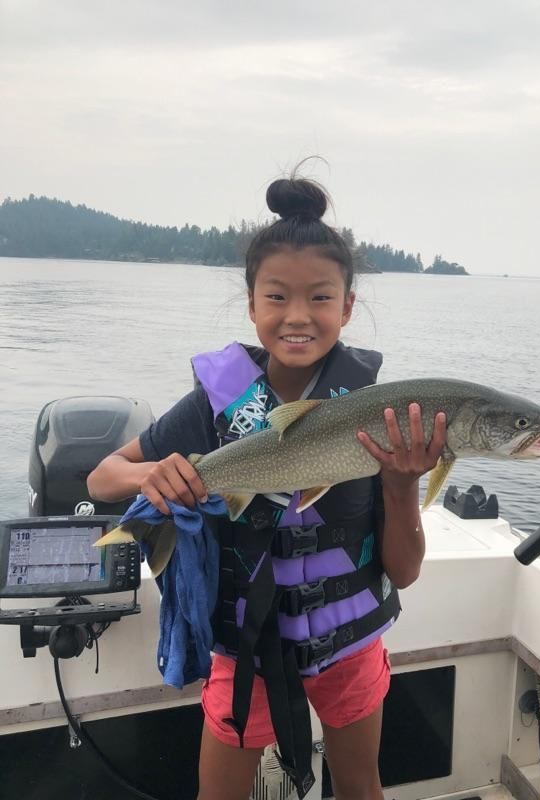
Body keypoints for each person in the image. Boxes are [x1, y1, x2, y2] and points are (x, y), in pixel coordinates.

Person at [87, 173, 446, 800]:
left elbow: (405, 573)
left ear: (347, 307)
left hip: (350, 643)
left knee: (361, 787)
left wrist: (400, 485)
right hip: (246, 649)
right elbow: (103, 475)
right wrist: (152, 474)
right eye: (277, 297)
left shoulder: (378, 416)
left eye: (320, 298)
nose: (297, 316)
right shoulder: (214, 405)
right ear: (252, 305)